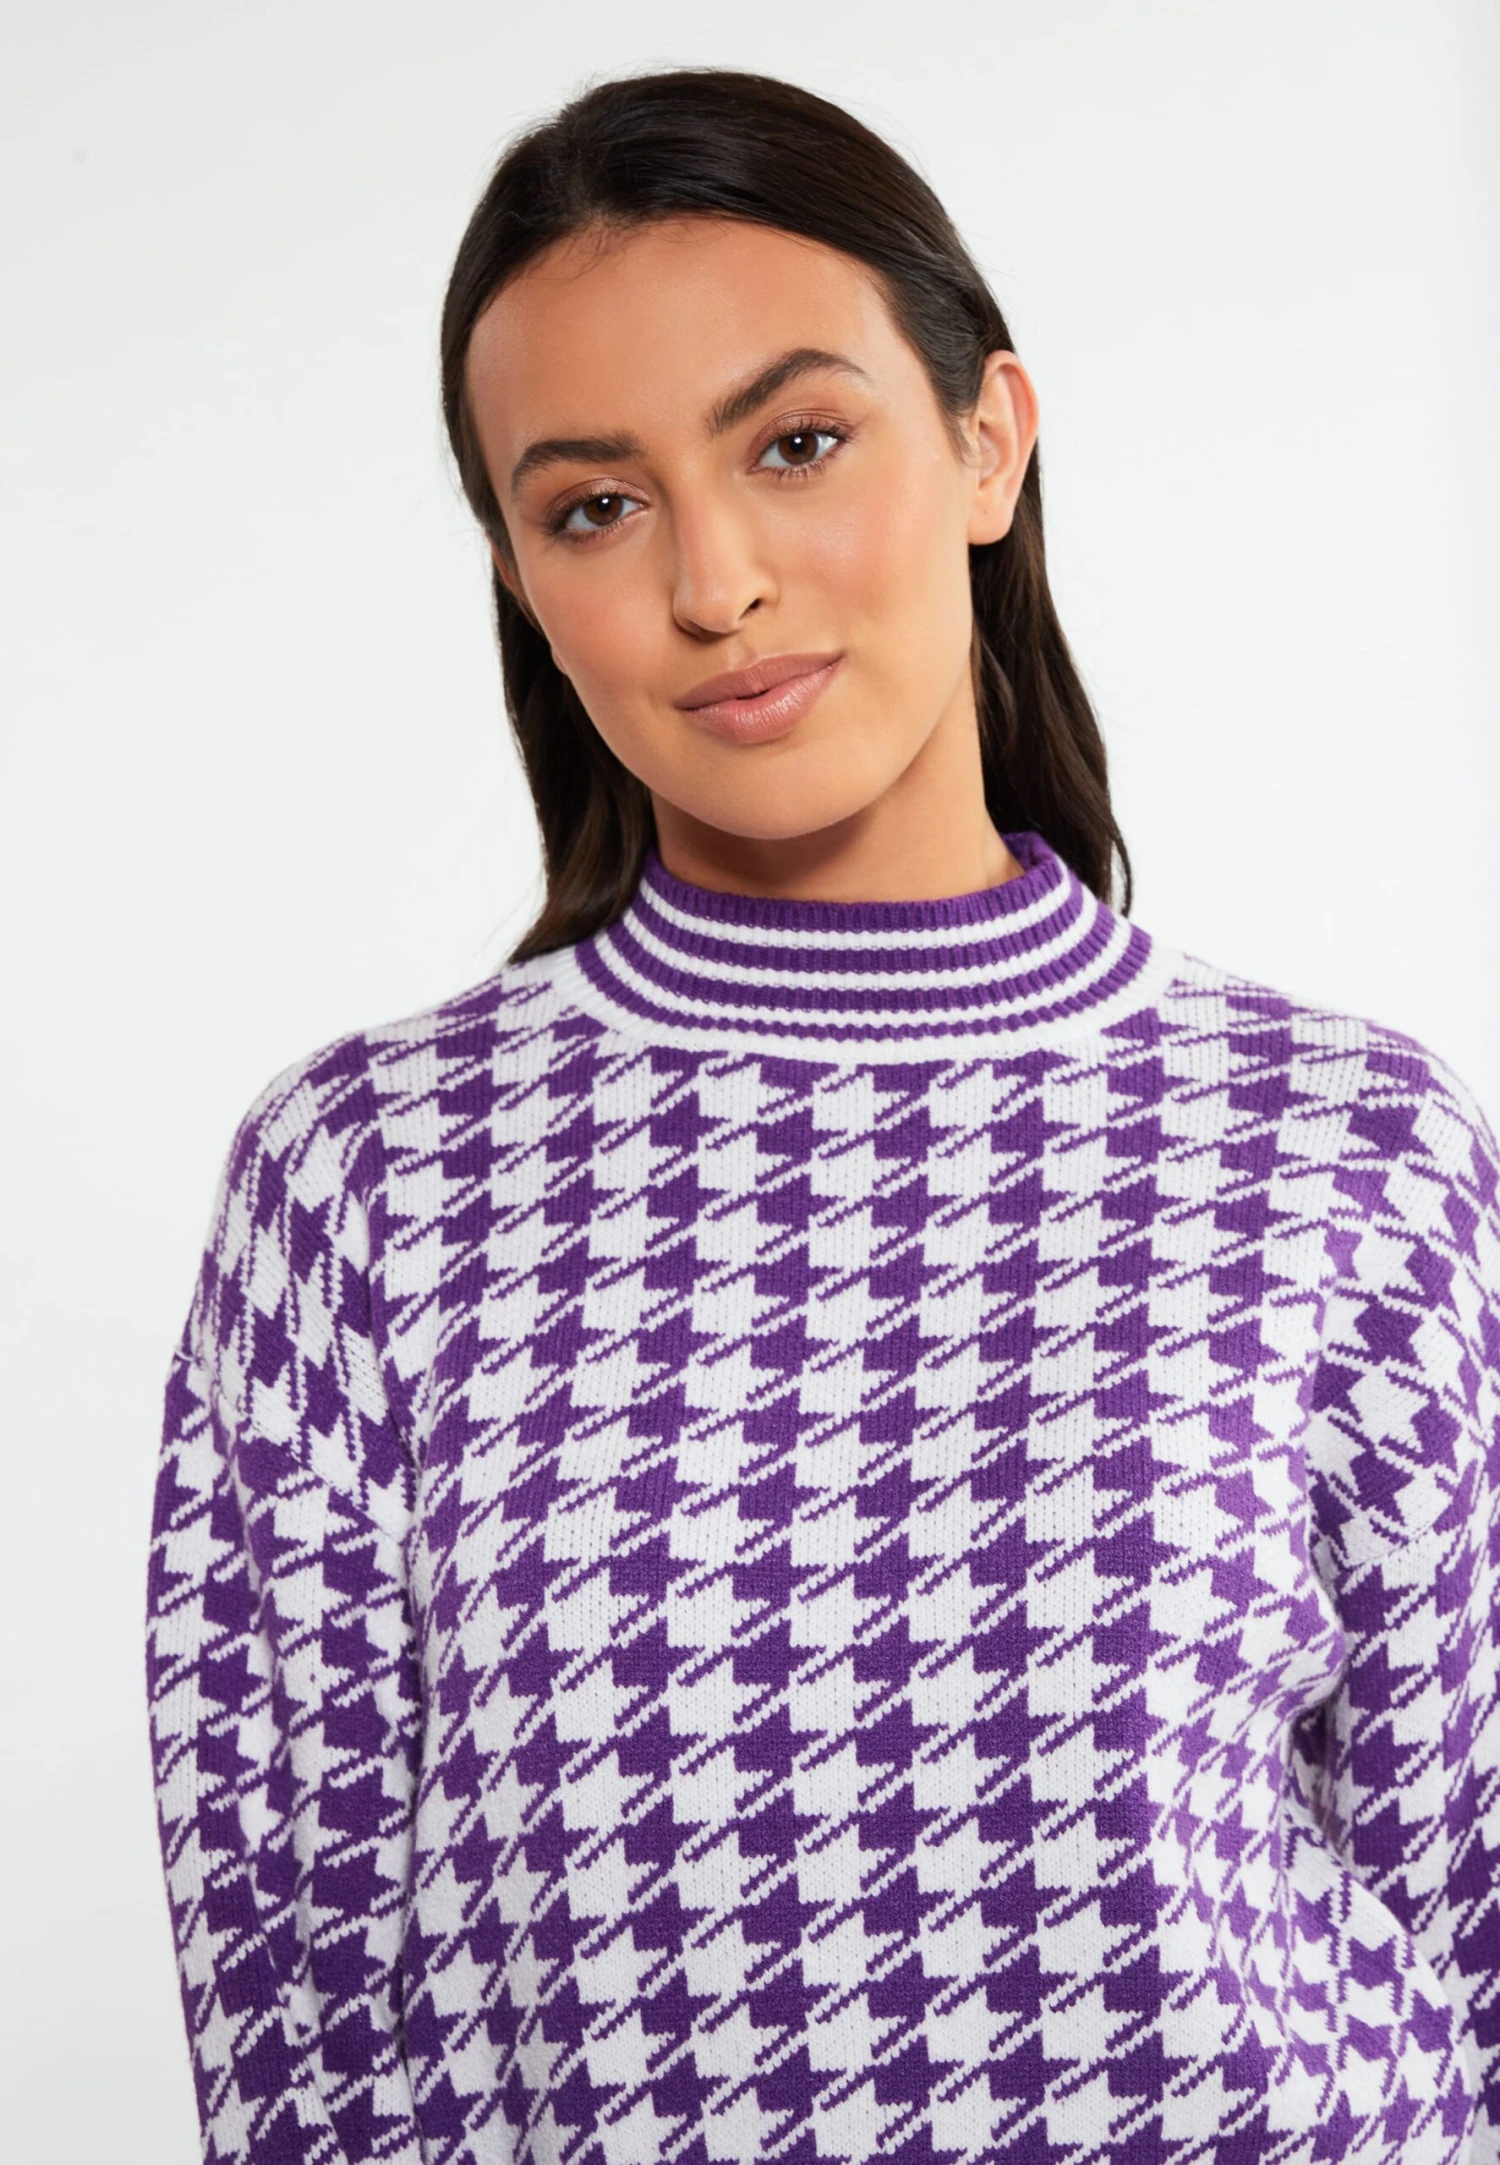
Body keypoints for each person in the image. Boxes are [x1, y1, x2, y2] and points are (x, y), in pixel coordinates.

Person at [145, 66, 1500, 2165]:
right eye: (595, 507)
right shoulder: (367, 1182)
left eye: (795, 444)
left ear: (986, 440)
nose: (717, 583)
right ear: (521, 578)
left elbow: (1472, 1922)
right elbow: (299, 2034)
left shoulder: (1347, 1148)